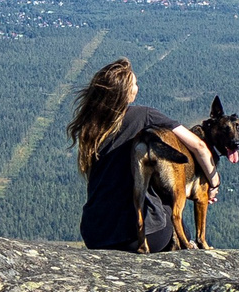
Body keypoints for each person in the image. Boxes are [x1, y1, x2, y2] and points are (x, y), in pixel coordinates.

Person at [67, 57, 219, 252]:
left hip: (95, 234)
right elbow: (198, 146)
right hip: (145, 234)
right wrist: (214, 182)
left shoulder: (91, 127)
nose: (137, 87)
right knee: (180, 228)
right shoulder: (145, 116)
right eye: (134, 84)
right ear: (125, 93)